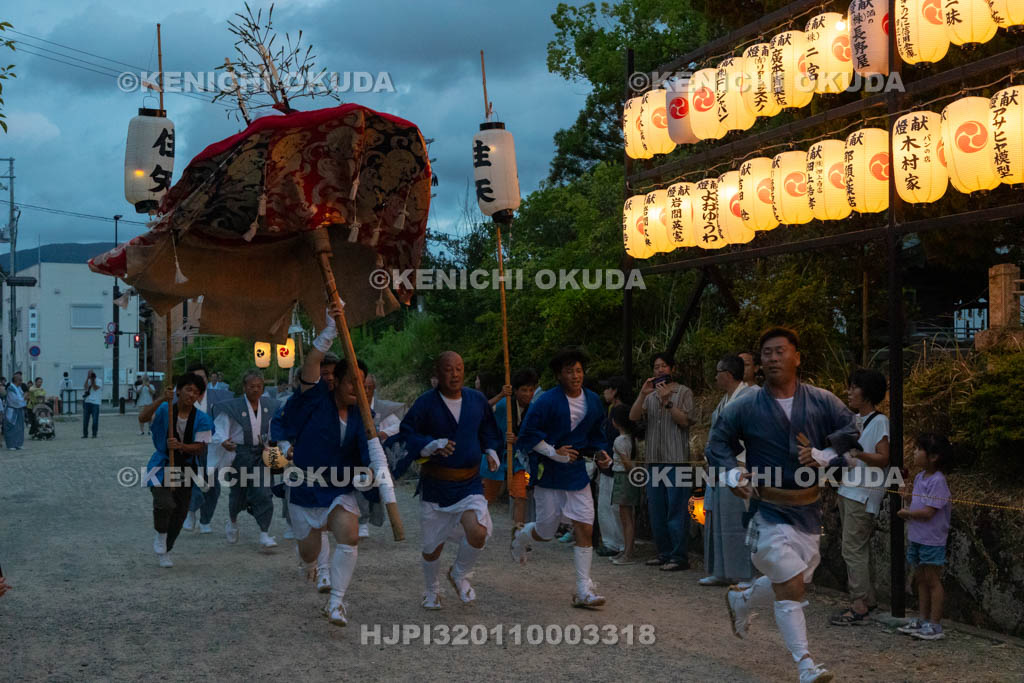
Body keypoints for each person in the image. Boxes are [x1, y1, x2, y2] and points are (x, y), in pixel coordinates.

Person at [709, 327, 860, 683]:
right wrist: (734, 477)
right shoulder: (746, 406)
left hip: (808, 510)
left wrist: (823, 455)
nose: (773, 358)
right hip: (766, 511)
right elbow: (717, 445)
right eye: (766, 353)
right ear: (758, 363)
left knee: (792, 580)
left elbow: (851, 436)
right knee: (790, 582)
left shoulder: (823, 400)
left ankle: (742, 600)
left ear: (797, 356)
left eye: (780, 351)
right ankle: (806, 664)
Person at [278, 307, 378, 626]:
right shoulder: (314, 399)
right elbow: (310, 363)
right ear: (335, 382)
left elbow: (369, 452)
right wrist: (330, 328)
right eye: (351, 383)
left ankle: (337, 603)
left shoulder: (363, 415)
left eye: (361, 385)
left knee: (349, 534)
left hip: (338, 487)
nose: (356, 390)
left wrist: (377, 469)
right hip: (305, 487)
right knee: (309, 552)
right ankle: (310, 560)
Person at [395, 351, 502, 610]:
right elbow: (406, 433)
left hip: (469, 483)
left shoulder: (477, 400)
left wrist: (491, 450)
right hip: (437, 486)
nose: (454, 374)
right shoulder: (425, 403)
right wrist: (430, 445)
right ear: (437, 374)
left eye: (459, 368)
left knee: (479, 531)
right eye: (448, 369)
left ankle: (459, 573)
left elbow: (488, 429)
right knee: (433, 547)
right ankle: (431, 590)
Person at [511, 348, 613, 608]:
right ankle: (521, 536)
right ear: (558, 375)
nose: (575, 375)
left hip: (577, 473)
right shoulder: (545, 402)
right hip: (550, 473)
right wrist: (552, 452)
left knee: (585, 526)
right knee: (545, 531)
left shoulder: (592, 400)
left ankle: (583, 589)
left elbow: (597, 435)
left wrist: (602, 453)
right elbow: (526, 435)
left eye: (578, 370)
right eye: (569, 371)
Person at [831, 368, 890, 626]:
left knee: (852, 549)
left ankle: (859, 604)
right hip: (849, 489)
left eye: (854, 387)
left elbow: (883, 458)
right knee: (857, 548)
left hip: (862, 493)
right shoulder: (856, 421)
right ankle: (868, 599)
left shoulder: (879, 421)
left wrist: (858, 452)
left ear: (867, 393)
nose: (849, 391)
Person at [628, 353, 695, 571]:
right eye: (656, 367)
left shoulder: (683, 392)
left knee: (676, 509)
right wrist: (642, 394)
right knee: (657, 509)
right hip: (653, 460)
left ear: (672, 369)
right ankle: (664, 553)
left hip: (676, 460)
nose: (659, 370)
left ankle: (679, 556)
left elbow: (685, 422)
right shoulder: (649, 396)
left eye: (664, 366)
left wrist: (667, 402)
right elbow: (633, 417)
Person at [145, 372, 215, 568]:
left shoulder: (203, 419)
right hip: (161, 465)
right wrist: (161, 398)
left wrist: (181, 447)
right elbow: (143, 417)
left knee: (180, 514)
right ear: (178, 390)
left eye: (197, 392)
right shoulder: (166, 409)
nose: (192, 395)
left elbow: (201, 446)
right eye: (188, 389)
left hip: (186, 467)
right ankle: (160, 534)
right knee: (164, 503)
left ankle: (166, 549)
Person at [700, 355, 756, 586]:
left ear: (728, 374)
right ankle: (722, 570)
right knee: (718, 520)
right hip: (720, 467)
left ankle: (745, 574)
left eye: (718, 372)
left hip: (738, 466)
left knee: (737, 521)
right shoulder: (726, 399)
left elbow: (752, 434)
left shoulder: (751, 396)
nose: (715, 376)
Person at [896, 433, 953, 641]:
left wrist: (908, 513)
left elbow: (929, 512)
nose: (914, 452)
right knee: (920, 578)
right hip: (918, 536)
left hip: (932, 539)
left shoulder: (938, 481)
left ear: (934, 456)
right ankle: (922, 618)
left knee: (932, 579)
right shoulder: (920, 477)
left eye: (918, 449)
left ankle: (935, 624)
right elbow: (917, 502)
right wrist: (904, 491)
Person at [218, 370, 280, 551]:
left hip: (262, 453)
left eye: (259, 386)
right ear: (244, 387)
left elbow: (276, 430)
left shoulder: (270, 406)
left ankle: (264, 533)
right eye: (251, 386)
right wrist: (223, 440)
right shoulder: (233, 407)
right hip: (240, 454)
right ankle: (232, 522)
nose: (255, 390)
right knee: (238, 493)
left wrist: (282, 448)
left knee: (264, 493)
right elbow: (221, 427)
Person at [481, 368, 539, 535]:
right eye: (523, 390)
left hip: (520, 459)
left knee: (521, 495)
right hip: (498, 456)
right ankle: (477, 525)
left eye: (530, 390)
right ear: (515, 390)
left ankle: (518, 533)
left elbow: (535, 435)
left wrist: (518, 440)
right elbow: (482, 408)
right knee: (487, 496)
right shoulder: (503, 405)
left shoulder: (534, 409)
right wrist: (501, 395)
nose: (527, 394)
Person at [177, 365, 233, 533]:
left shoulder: (221, 397)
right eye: (194, 378)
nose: (199, 381)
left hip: (214, 447)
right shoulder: (182, 399)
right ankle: (191, 511)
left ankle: (205, 520)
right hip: (191, 446)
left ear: (208, 380)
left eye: (202, 377)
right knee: (193, 480)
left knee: (213, 486)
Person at [358, 372, 404, 539]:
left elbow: (400, 426)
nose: (367, 390)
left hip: (379, 455)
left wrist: (383, 433)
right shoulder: (350, 405)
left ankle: (367, 520)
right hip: (356, 455)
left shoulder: (382, 408)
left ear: (374, 388)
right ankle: (361, 522)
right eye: (364, 387)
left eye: (370, 387)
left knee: (376, 490)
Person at [595, 376, 629, 558]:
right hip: (608, 463)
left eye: (607, 388)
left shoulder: (619, 411)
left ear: (614, 390)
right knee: (607, 506)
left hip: (613, 463)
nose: (604, 392)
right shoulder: (612, 410)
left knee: (612, 507)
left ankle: (617, 543)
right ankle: (613, 542)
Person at [608, 404, 641, 565]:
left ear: (615, 422)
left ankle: (627, 552)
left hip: (623, 477)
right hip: (632, 478)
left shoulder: (619, 441)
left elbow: (627, 464)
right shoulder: (632, 439)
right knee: (629, 517)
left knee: (625, 517)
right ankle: (628, 549)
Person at [2, 372, 26, 450]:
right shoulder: (10, 388)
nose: (21, 382)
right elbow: (14, 400)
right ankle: (11, 444)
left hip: (19, 409)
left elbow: (21, 397)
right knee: (11, 427)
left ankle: (18, 443)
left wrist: (23, 398)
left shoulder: (19, 388)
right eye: (20, 380)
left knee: (20, 427)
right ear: (16, 380)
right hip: (12, 410)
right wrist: (24, 398)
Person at [82, 371, 102, 438]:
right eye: (89, 374)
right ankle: (85, 434)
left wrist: (93, 381)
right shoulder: (88, 380)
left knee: (95, 420)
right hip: (87, 402)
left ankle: (94, 434)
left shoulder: (99, 380)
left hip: (95, 403)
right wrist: (87, 379)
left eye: (91, 374)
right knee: (85, 420)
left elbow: (95, 388)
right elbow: (85, 387)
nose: (90, 375)